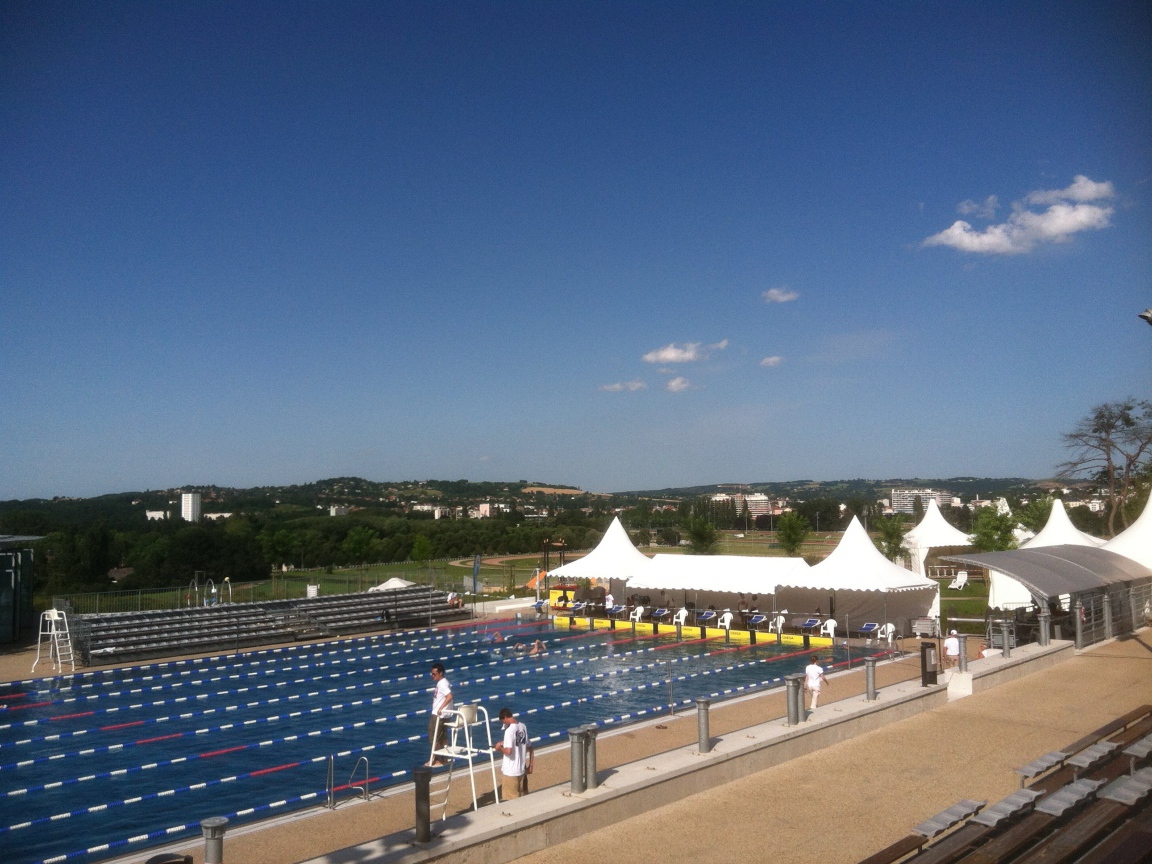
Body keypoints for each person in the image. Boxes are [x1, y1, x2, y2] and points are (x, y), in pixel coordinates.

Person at [494, 707, 533, 800]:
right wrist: (531, 765)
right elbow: (530, 747)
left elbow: (508, 751)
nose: (504, 724)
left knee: (510, 802)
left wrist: (498, 748)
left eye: (503, 722)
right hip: (521, 771)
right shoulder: (523, 727)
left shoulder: (509, 731)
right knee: (522, 799)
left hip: (510, 772)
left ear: (505, 718)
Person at [427, 663, 453, 766]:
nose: (432, 676)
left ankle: (434, 759)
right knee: (442, 737)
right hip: (445, 715)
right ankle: (444, 758)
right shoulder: (444, 682)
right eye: (432, 674)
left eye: (434, 674)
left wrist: (440, 708)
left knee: (434, 737)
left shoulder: (442, 683)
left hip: (439, 715)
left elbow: (449, 696)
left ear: (440, 673)